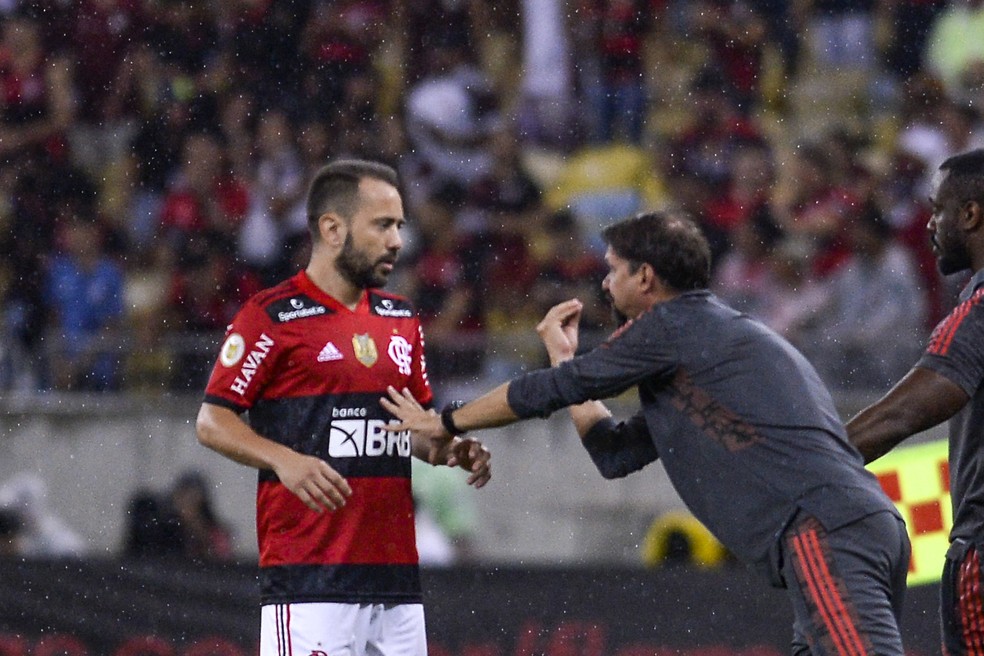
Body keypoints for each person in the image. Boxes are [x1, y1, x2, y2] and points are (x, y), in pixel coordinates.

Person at [383, 211, 910, 655]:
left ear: (646, 278)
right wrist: (565, 357)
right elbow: (614, 453)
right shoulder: (697, 355)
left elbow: (550, 391)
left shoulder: (673, 327)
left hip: (824, 530)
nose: (604, 285)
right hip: (851, 526)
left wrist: (445, 420)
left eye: (612, 271)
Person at [195, 158, 491, 656]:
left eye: (399, 225)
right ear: (332, 229)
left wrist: (447, 448)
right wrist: (284, 459)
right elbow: (212, 421)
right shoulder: (271, 316)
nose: (397, 240)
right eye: (382, 225)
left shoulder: (399, 318)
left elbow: (411, 427)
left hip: (395, 583)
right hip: (311, 579)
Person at [846, 148, 984, 655]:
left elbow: (901, 414)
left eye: (937, 209)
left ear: (970, 215)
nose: (930, 225)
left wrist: (809, 462)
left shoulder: (978, 311)